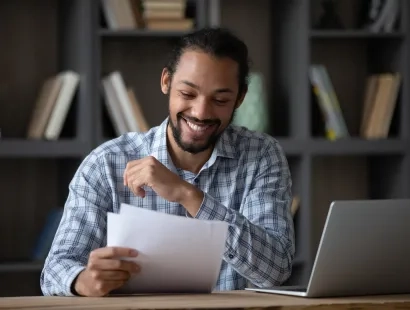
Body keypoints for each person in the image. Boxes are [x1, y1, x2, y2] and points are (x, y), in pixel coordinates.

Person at [40, 27, 295, 297]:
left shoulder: (261, 155)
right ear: (166, 82)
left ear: (240, 98)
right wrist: (83, 280)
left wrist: (189, 196)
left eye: (220, 100)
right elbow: (55, 270)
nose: (201, 113)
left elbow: (275, 270)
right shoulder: (106, 163)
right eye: (187, 94)